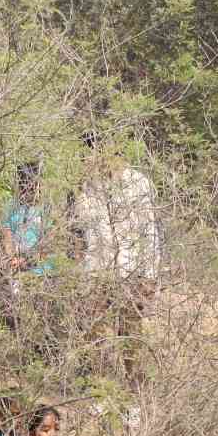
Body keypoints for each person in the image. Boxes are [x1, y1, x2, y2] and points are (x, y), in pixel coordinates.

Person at [72, 132, 163, 418]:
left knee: (131, 338)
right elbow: (86, 235)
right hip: (98, 273)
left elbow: (149, 232)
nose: (91, 159)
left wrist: (149, 276)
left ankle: (132, 400)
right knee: (96, 337)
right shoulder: (87, 187)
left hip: (131, 272)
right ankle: (102, 394)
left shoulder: (138, 184)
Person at [1, 162, 57, 278]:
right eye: (24, 185)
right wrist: (12, 258)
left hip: (42, 272)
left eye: (32, 184)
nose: (27, 189)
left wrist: (28, 260)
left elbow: (48, 243)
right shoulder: (11, 206)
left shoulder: (47, 208)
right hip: (16, 269)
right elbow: (7, 237)